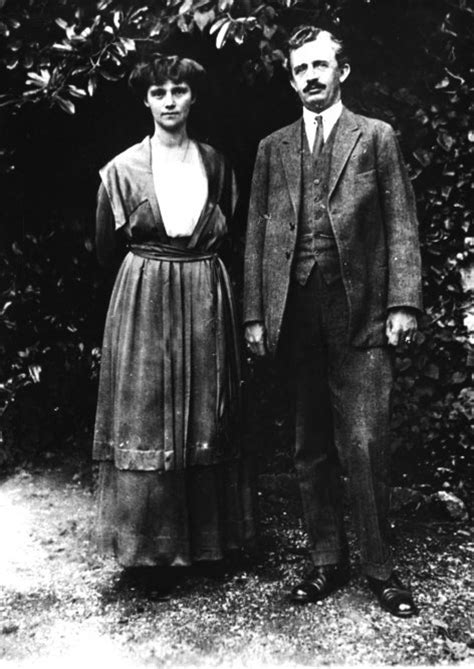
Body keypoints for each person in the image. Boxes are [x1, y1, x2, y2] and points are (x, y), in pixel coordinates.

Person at [244, 26, 422, 617]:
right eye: (301, 69)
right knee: (309, 443)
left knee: (365, 442)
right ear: (292, 80)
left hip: (361, 309)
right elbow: (257, 236)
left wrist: (403, 303)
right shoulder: (273, 148)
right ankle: (325, 561)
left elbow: (401, 223)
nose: (311, 76)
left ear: (342, 71)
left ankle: (380, 568)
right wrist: (255, 314)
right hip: (295, 312)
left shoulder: (375, 137)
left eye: (320, 65)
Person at [93, 54, 256, 585]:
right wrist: (150, 275)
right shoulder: (121, 170)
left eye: (179, 91)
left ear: (193, 98)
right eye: (159, 92)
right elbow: (105, 248)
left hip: (206, 293)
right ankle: (150, 553)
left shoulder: (216, 163)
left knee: (207, 410)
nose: (169, 101)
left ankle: (207, 545)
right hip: (145, 297)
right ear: (145, 101)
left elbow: (231, 232)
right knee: (149, 412)